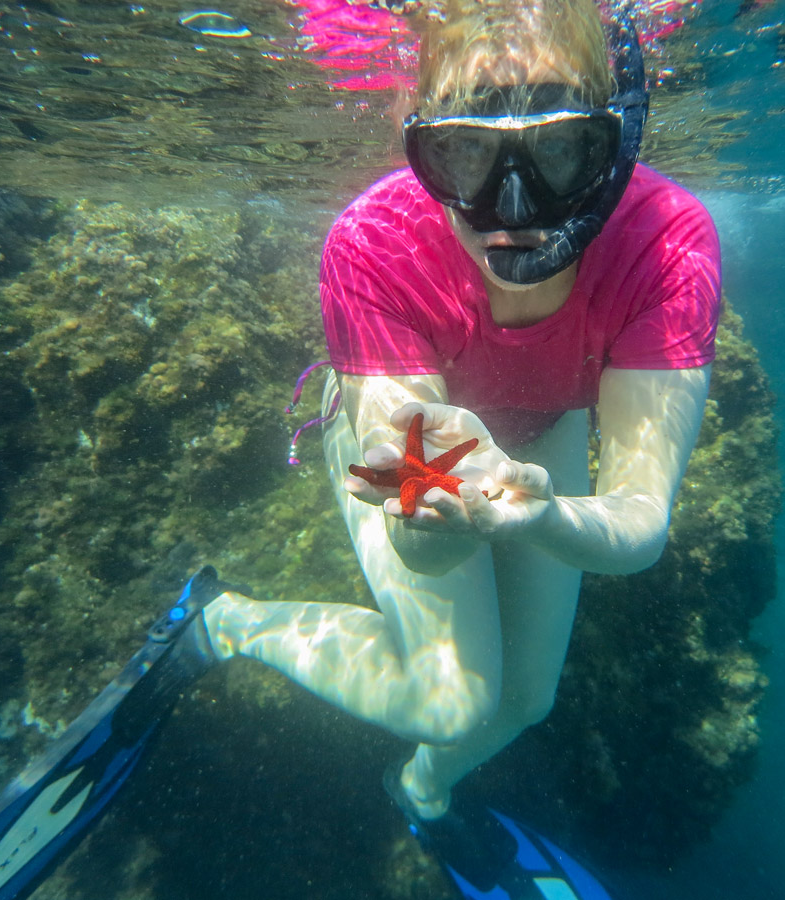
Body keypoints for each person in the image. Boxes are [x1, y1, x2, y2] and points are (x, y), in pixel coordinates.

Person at [203, 0, 721, 891]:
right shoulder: (372, 244)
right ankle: (223, 622)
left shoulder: (670, 245)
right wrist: (442, 508)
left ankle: (421, 788)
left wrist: (540, 512)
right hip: (409, 450)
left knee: (525, 700)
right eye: (464, 153)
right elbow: (415, 520)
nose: (507, 211)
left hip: (538, 435)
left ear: (618, 140)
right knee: (453, 699)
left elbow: (639, 520)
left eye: (561, 150)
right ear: (422, 146)